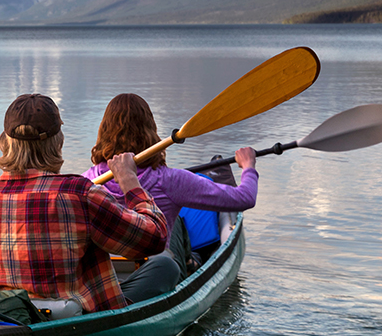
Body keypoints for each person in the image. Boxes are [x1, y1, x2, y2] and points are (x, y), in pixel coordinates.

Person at [0, 93, 178, 313]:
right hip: (75, 319)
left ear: (5, 143)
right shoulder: (80, 194)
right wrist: (129, 181)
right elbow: (154, 239)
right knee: (164, 266)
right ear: (58, 142)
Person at [82, 93, 258, 278]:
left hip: (102, 278)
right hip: (155, 274)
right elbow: (245, 198)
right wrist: (248, 167)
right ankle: (191, 260)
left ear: (103, 131)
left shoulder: (86, 181)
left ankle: (190, 259)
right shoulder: (170, 181)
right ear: (150, 129)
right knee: (178, 221)